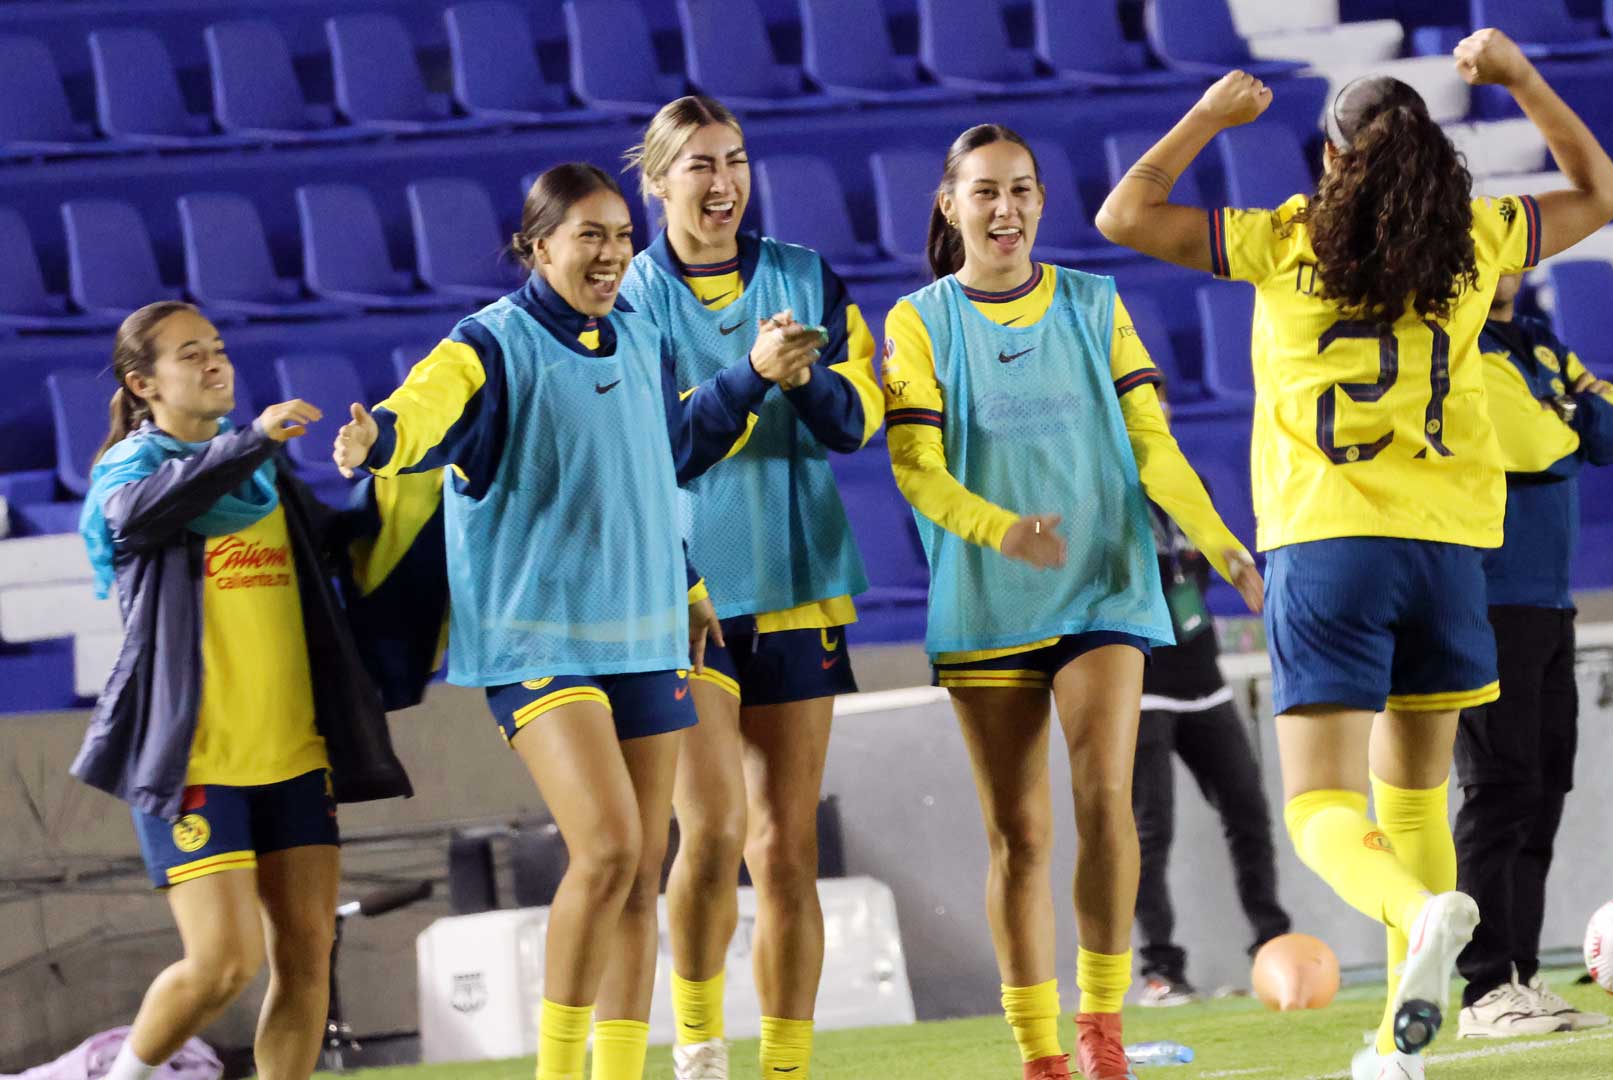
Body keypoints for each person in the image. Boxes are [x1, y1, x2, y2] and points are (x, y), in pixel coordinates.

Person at [1096, 26, 1613, 1079]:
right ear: (1430, 151)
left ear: (1331, 158)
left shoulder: (1283, 239)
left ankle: (1423, 914)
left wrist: (1207, 116)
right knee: (1417, 798)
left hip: (1328, 544)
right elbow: (1601, 191)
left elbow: (1123, 212)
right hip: (1447, 554)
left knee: (1321, 809)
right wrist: (1521, 76)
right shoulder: (1477, 239)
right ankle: (1397, 1042)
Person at [331, 163, 822, 1080]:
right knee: (606, 848)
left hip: (644, 631)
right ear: (537, 243)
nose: (610, 253)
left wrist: (687, 578)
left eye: (621, 235)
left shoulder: (639, 338)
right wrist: (381, 441)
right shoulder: (490, 342)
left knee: (641, 873)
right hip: (536, 641)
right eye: (588, 234)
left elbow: (663, 458)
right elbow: (426, 413)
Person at [883, 122, 1263, 1080]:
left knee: (1106, 802)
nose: (1003, 209)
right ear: (950, 205)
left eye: (1020, 190)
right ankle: (1039, 1054)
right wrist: (1000, 530)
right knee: (1020, 836)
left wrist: (1222, 544)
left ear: (1041, 202)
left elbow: (1152, 446)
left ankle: (1102, 1035)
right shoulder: (919, 321)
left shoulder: (1096, 303)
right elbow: (916, 470)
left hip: (1103, 583)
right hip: (986, 602)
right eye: (984, 192)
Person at [72, 301, 412, 1080]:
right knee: (223, 963)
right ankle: (123, 1076)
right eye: (190, 355)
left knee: (306, 957)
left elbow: (336, 544)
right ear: (142, 383)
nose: (215, 362)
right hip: (198, 759)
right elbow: (148, 514)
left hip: (293, 750)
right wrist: (251, 439)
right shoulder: (130, 473)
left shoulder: (264, 469)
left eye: (218, 348)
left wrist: (394, 473)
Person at [618, 95, 884, 1080]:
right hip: (685, 599)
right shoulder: (633, 296)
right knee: (716, 828)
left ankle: (785, 1066)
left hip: (801, 583)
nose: (722, 182)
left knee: (784, 851)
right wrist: (752, 374)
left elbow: (856, 422)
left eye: (734, 161)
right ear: (657, 181)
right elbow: (657, 449)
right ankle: (698, 1046)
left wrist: (805, 378)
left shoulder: (806, 276)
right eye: (697, 165)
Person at [1453, 273, 1613, 1037]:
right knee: (1498, 791)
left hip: (1550, 601)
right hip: (1489, 595)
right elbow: (1537, 446)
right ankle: (1479, 989)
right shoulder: (1456, 343)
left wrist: (1563, 410)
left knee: (1541, 794)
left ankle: (1521, 976)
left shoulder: (1537, 339)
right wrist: (1569, 409)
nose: (1507, 263)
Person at [1131, 392, 1292, 1007]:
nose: (1161, 426)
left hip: (1205, 681)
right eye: (1148, 415)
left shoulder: (1188, 482)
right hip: (1141, 688)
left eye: (1166, 415)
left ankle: (1273, 947)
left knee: (1249, 814)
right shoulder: (1099, 485)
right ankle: (1160, 970)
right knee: (1150, 834)